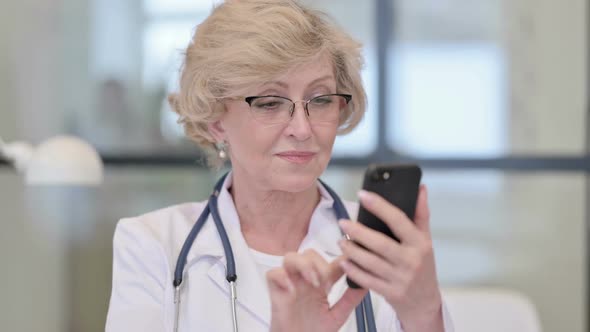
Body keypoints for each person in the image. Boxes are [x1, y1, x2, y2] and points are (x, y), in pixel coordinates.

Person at [106, 1, 454, 331]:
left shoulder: (382, 247)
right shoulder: (153, 244)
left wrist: (425, 314)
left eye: (320, 100)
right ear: (216, 121)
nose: (302, 129)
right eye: (270, 103)